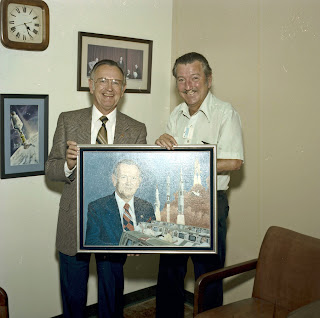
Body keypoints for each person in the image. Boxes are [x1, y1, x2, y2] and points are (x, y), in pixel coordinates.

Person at [45, 59, 148, 318]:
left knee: (111, 297)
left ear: (123, 89)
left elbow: (136, 183)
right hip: (73, 224)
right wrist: (68, 165)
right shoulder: (68, 120)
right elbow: (51, 168)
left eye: (116, 82)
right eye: (102, 80)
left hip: (114, 227)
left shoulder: (136, 129)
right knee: (73, 297)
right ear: (91, 85)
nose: (109, 88)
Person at [155, 52, 244, 318]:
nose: (188, 86)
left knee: (208, 276)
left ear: (209, 79)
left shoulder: (225, 113)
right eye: (181, 80)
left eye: (194, 78)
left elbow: (234, 162)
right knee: (170, 272)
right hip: (175, 200)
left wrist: (191, 163)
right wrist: (162, 145)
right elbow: (169, 162)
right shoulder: (176, 114)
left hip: (209, 201)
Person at [85, 159, 155, 246]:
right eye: (124, 177)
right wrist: (123, 249)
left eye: (133, 178)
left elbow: (153, 239)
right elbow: (91, 242)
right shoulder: (97, 207)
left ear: (139, 182)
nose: (128, 183)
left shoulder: (147, 207)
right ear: (114, 180)